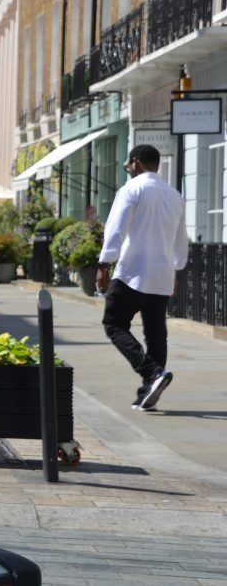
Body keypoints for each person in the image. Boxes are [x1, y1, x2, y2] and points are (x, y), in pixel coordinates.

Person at [96, 144, 187, 412]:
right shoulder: (174, 196)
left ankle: (152, 372)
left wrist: (103, 264)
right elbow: (181, 239)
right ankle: (149, 390)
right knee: (156, 334)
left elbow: (115, 229)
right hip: (161, 275)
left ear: (136, 163)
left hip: (132, 272)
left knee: (113, 324)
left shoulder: (131, 190)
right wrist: (176, 269)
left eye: (128, 166)